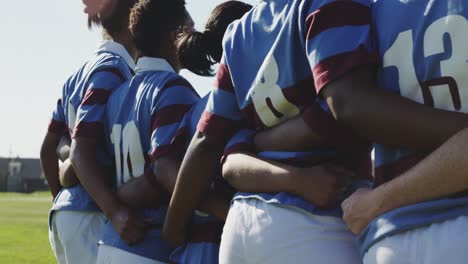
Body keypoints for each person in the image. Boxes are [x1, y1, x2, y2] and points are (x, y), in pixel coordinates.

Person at [248, 0, 468, 263]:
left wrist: (379, 200)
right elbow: (346, 105)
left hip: (390, 237)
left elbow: (345, 105)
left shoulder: (369, 12)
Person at [163, 0, 379, 263]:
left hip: (242, 223)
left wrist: (173, 227)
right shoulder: (324, 5)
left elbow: (208, 141)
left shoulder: (239, 32)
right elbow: (342, 108)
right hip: (315, 224)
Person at [93, 0, 203, 262]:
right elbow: (167, 172)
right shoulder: (173, 88)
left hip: (109, 245)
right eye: (189, 30)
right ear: (172, 36)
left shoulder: (117, 94)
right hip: (150, 245)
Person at [41, 0, 137, 263]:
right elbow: (83, 150)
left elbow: (47, 148)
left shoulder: (75, 76)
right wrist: (114, 211)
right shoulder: (113, 70)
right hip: (93, 213)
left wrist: (61, 198)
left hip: (69, 212)